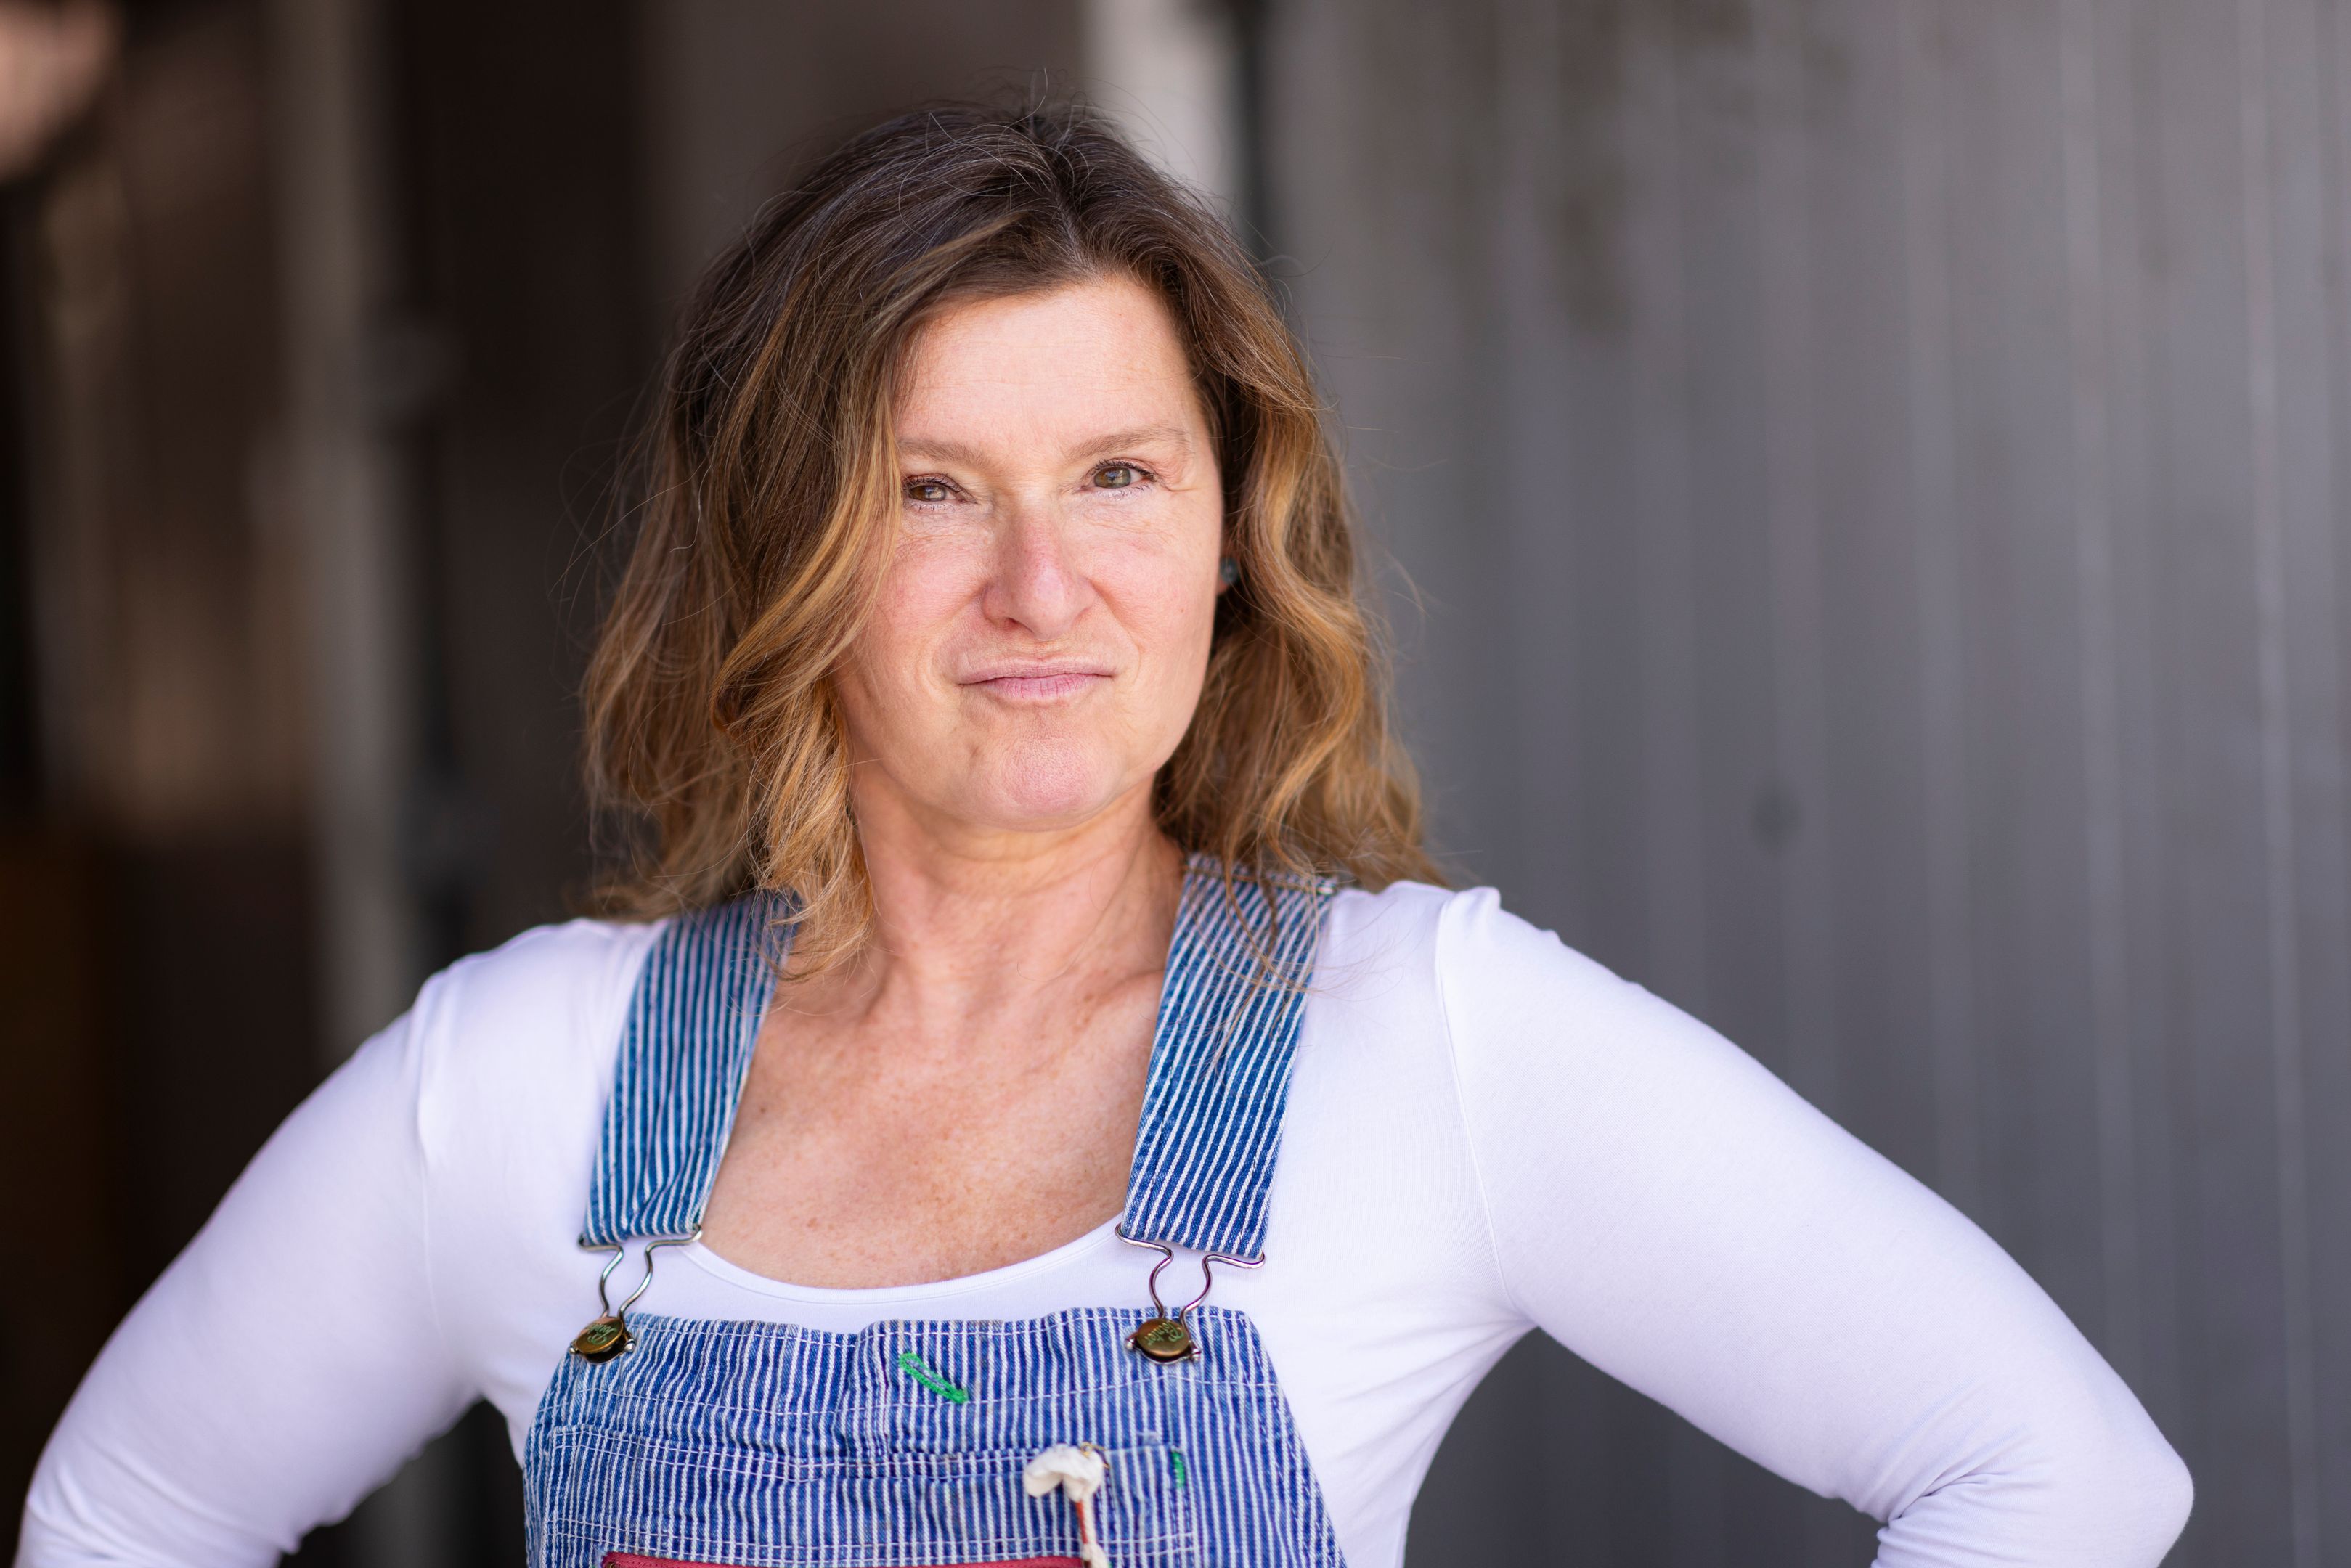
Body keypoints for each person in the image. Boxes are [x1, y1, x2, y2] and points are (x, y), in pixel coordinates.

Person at [20, 101, 2191, 1568]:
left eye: (1121, 479)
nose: (1041, 590)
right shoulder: (521, 1081)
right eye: (931, 491)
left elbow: (2053, 1475)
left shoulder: (1421, 1042)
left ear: (1232, 535)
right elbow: (119, 1523)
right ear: (782, 551)